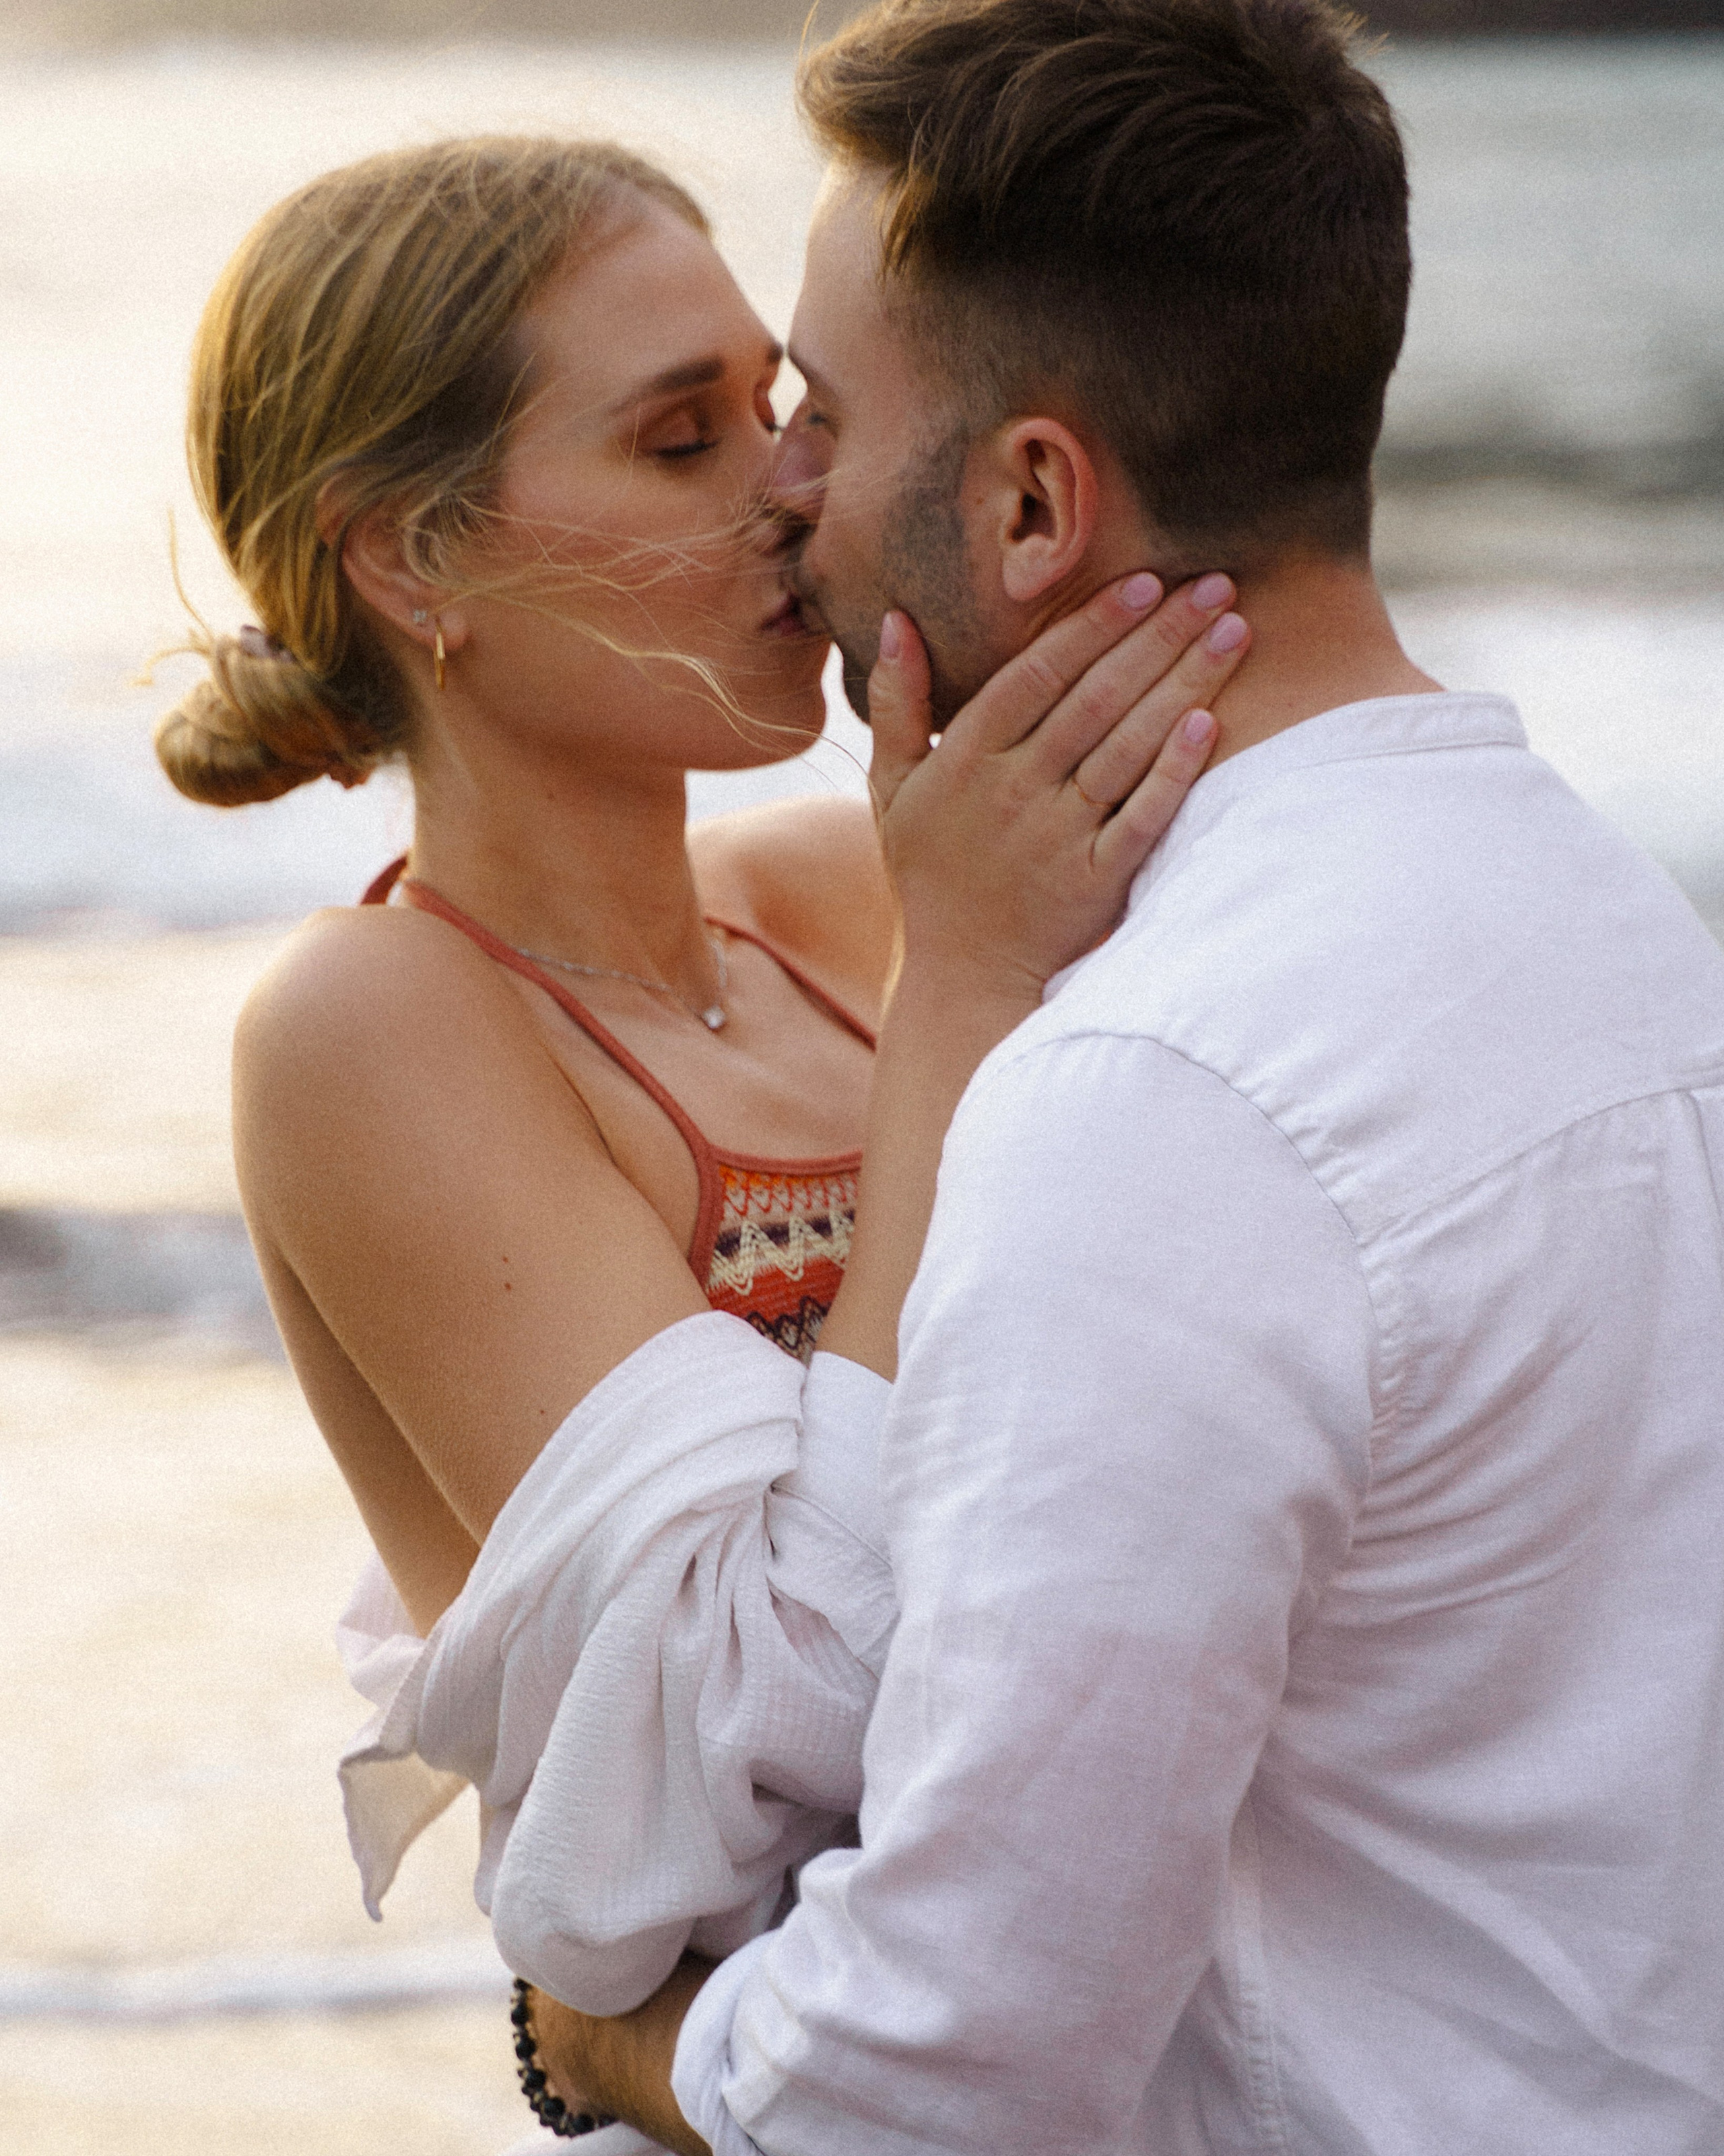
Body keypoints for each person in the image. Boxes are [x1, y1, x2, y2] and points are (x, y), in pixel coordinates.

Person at [512, 2, 1724, 2151]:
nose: (787, 485)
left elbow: (945, 2067)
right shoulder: (1622, 932)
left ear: (1036, 499)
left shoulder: (1163, 1098)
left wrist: (601, 2043)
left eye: (820, 408)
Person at [152, 130, 1238, 2143]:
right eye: (680, 444)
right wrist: (970, 1002)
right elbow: (767, 1717)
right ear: (414, 557)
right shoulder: (380, 1024)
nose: (800, 489)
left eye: (784, 409)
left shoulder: (864, 881)